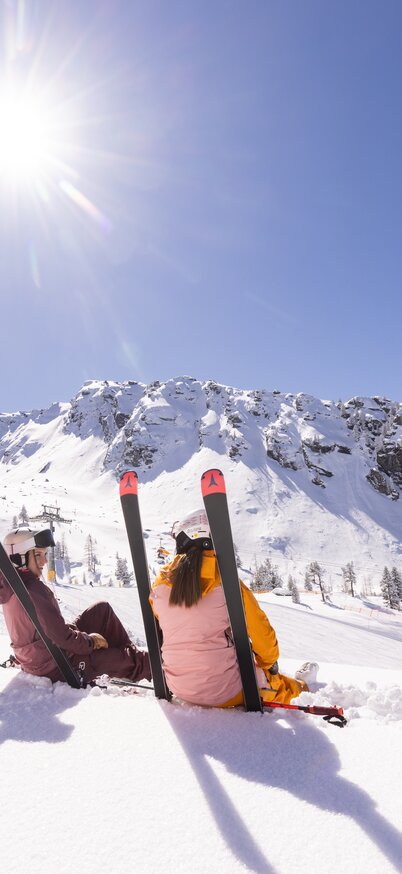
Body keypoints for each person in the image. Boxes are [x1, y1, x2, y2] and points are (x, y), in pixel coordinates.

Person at [149, 509, 318, 708]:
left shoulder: (159, 586)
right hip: (225, 692)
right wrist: (268, 665)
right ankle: (303, 686)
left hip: (177, 685)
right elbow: (261, 633)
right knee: (276, 685)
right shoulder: (226, 583)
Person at [0, 527, 151, 686]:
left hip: (43, 656)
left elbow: (51, 632)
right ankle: (150, 665)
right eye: (38, 554)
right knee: (122, 658)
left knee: (101, 610)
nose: (44, 561)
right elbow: (61, 637)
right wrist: (91, 642)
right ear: (19, 559)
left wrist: (81, 637)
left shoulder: (11, 585)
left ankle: (128, 664)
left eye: (45, 554)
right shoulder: (33, 590)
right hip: (58, 667)